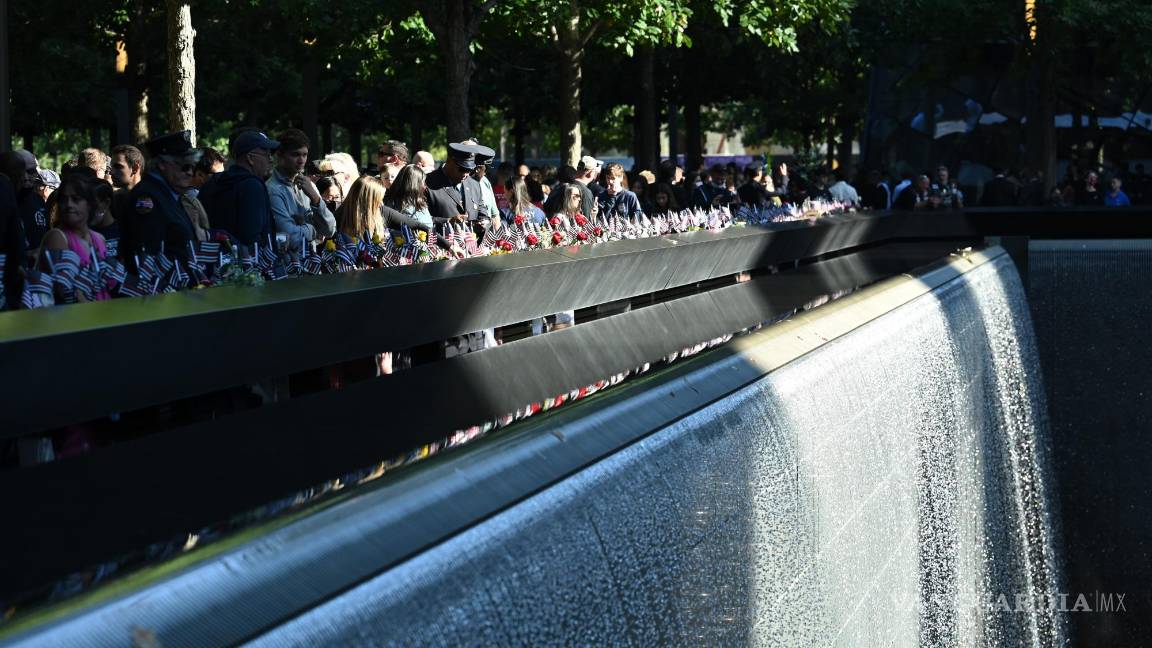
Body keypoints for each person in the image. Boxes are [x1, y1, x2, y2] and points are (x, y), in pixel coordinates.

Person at [124, 130, 202, 258]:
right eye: (184, 166)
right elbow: (149, 252)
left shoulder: (168, 193)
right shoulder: (146, 196)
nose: (190, 173)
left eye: (192, 167)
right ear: (162, 164)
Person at [200, 131, 278, 252]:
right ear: (250, 158)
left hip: (214, 262)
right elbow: (252, 238)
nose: (271, 160)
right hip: (246, 265)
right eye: (266, 154)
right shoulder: (253, 185)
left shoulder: (213, 181)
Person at [39, 174, 111, 301]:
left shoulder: (99, 239)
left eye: (76, 199)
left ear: (89, 204)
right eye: (64, 199)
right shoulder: (57, 237)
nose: (69, 204)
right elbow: (65, 293)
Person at [267, 128, 336, 254]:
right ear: (280, 155)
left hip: (312, 264)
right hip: (288, 267)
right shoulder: (272, 189)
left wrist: (316, 199)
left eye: (304, 155)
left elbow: (330, 230)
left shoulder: (308, 186)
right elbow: (290, 237)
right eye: (295, 154)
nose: (301, 160)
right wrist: (313, 230)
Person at [425, 142, 486, 227]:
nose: (466, 174)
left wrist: (484, 222)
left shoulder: (474, 185)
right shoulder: (428, 183)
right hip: (440, 238)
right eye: (462, 169)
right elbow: (419, 219)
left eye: (469, 170)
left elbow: (482, 213)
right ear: (449, 161)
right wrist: (448, 221)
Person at [334, 176, 388, 240]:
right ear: (366, 200)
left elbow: (403, 222)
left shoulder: (380, 211)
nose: (381, 204)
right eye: (378, 199)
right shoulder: (337, 219)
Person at [383, 165, 434, 229]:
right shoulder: (408, 208)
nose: (424, 186)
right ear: (414, 185)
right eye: (423, 182)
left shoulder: (389, 201)